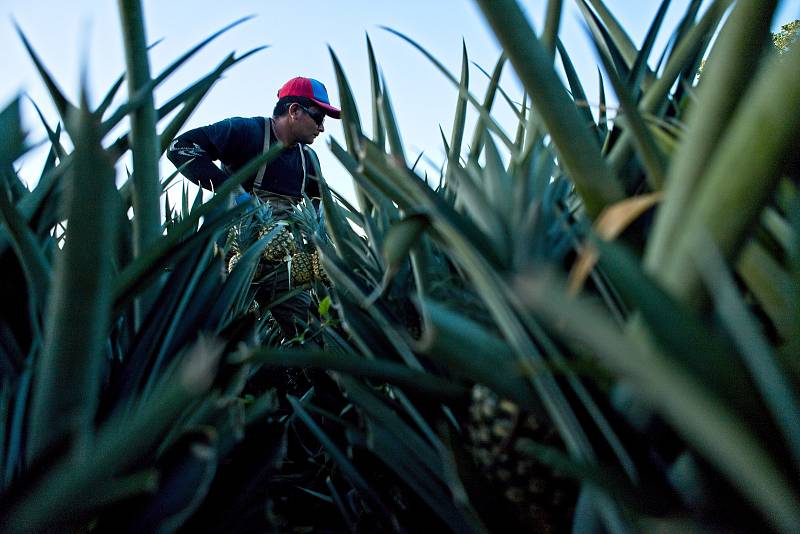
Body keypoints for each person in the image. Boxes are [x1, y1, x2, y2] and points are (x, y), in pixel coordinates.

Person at [167, 76, 341, 339]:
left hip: (284, 265)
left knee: (312, 334)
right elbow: (179, 147)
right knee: (210, 339)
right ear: (294, 111)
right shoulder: (246, 132)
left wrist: (325, 252)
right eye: (318, 117)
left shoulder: (309, 160)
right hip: (230, 258)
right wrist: (234, 191)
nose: (322, 128)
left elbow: (321, 209)